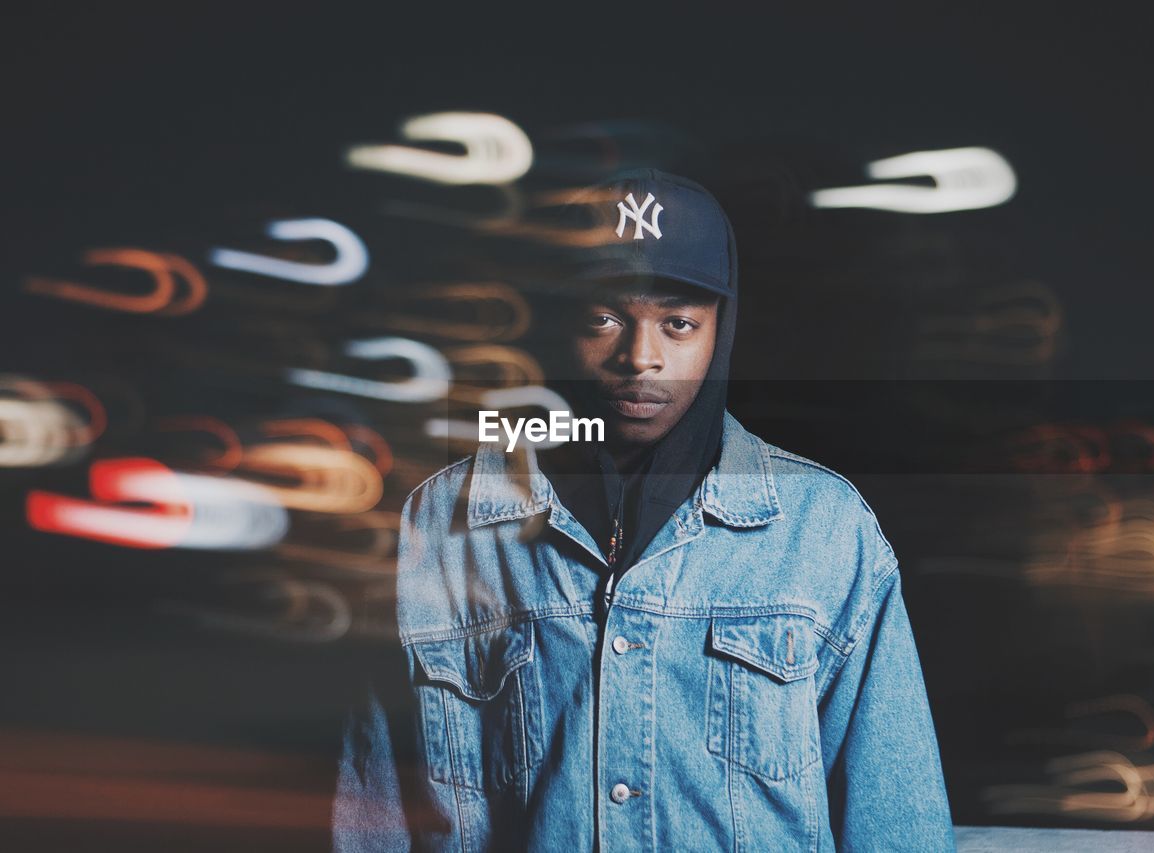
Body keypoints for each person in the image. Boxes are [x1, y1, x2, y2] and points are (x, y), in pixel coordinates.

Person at [332, 170, 955, 851]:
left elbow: (898, 826)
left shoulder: (824, 529)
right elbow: (375, 813)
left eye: (679, 322)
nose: (641, 357)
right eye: (603, 316)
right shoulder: (444, 524)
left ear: (723, 328)